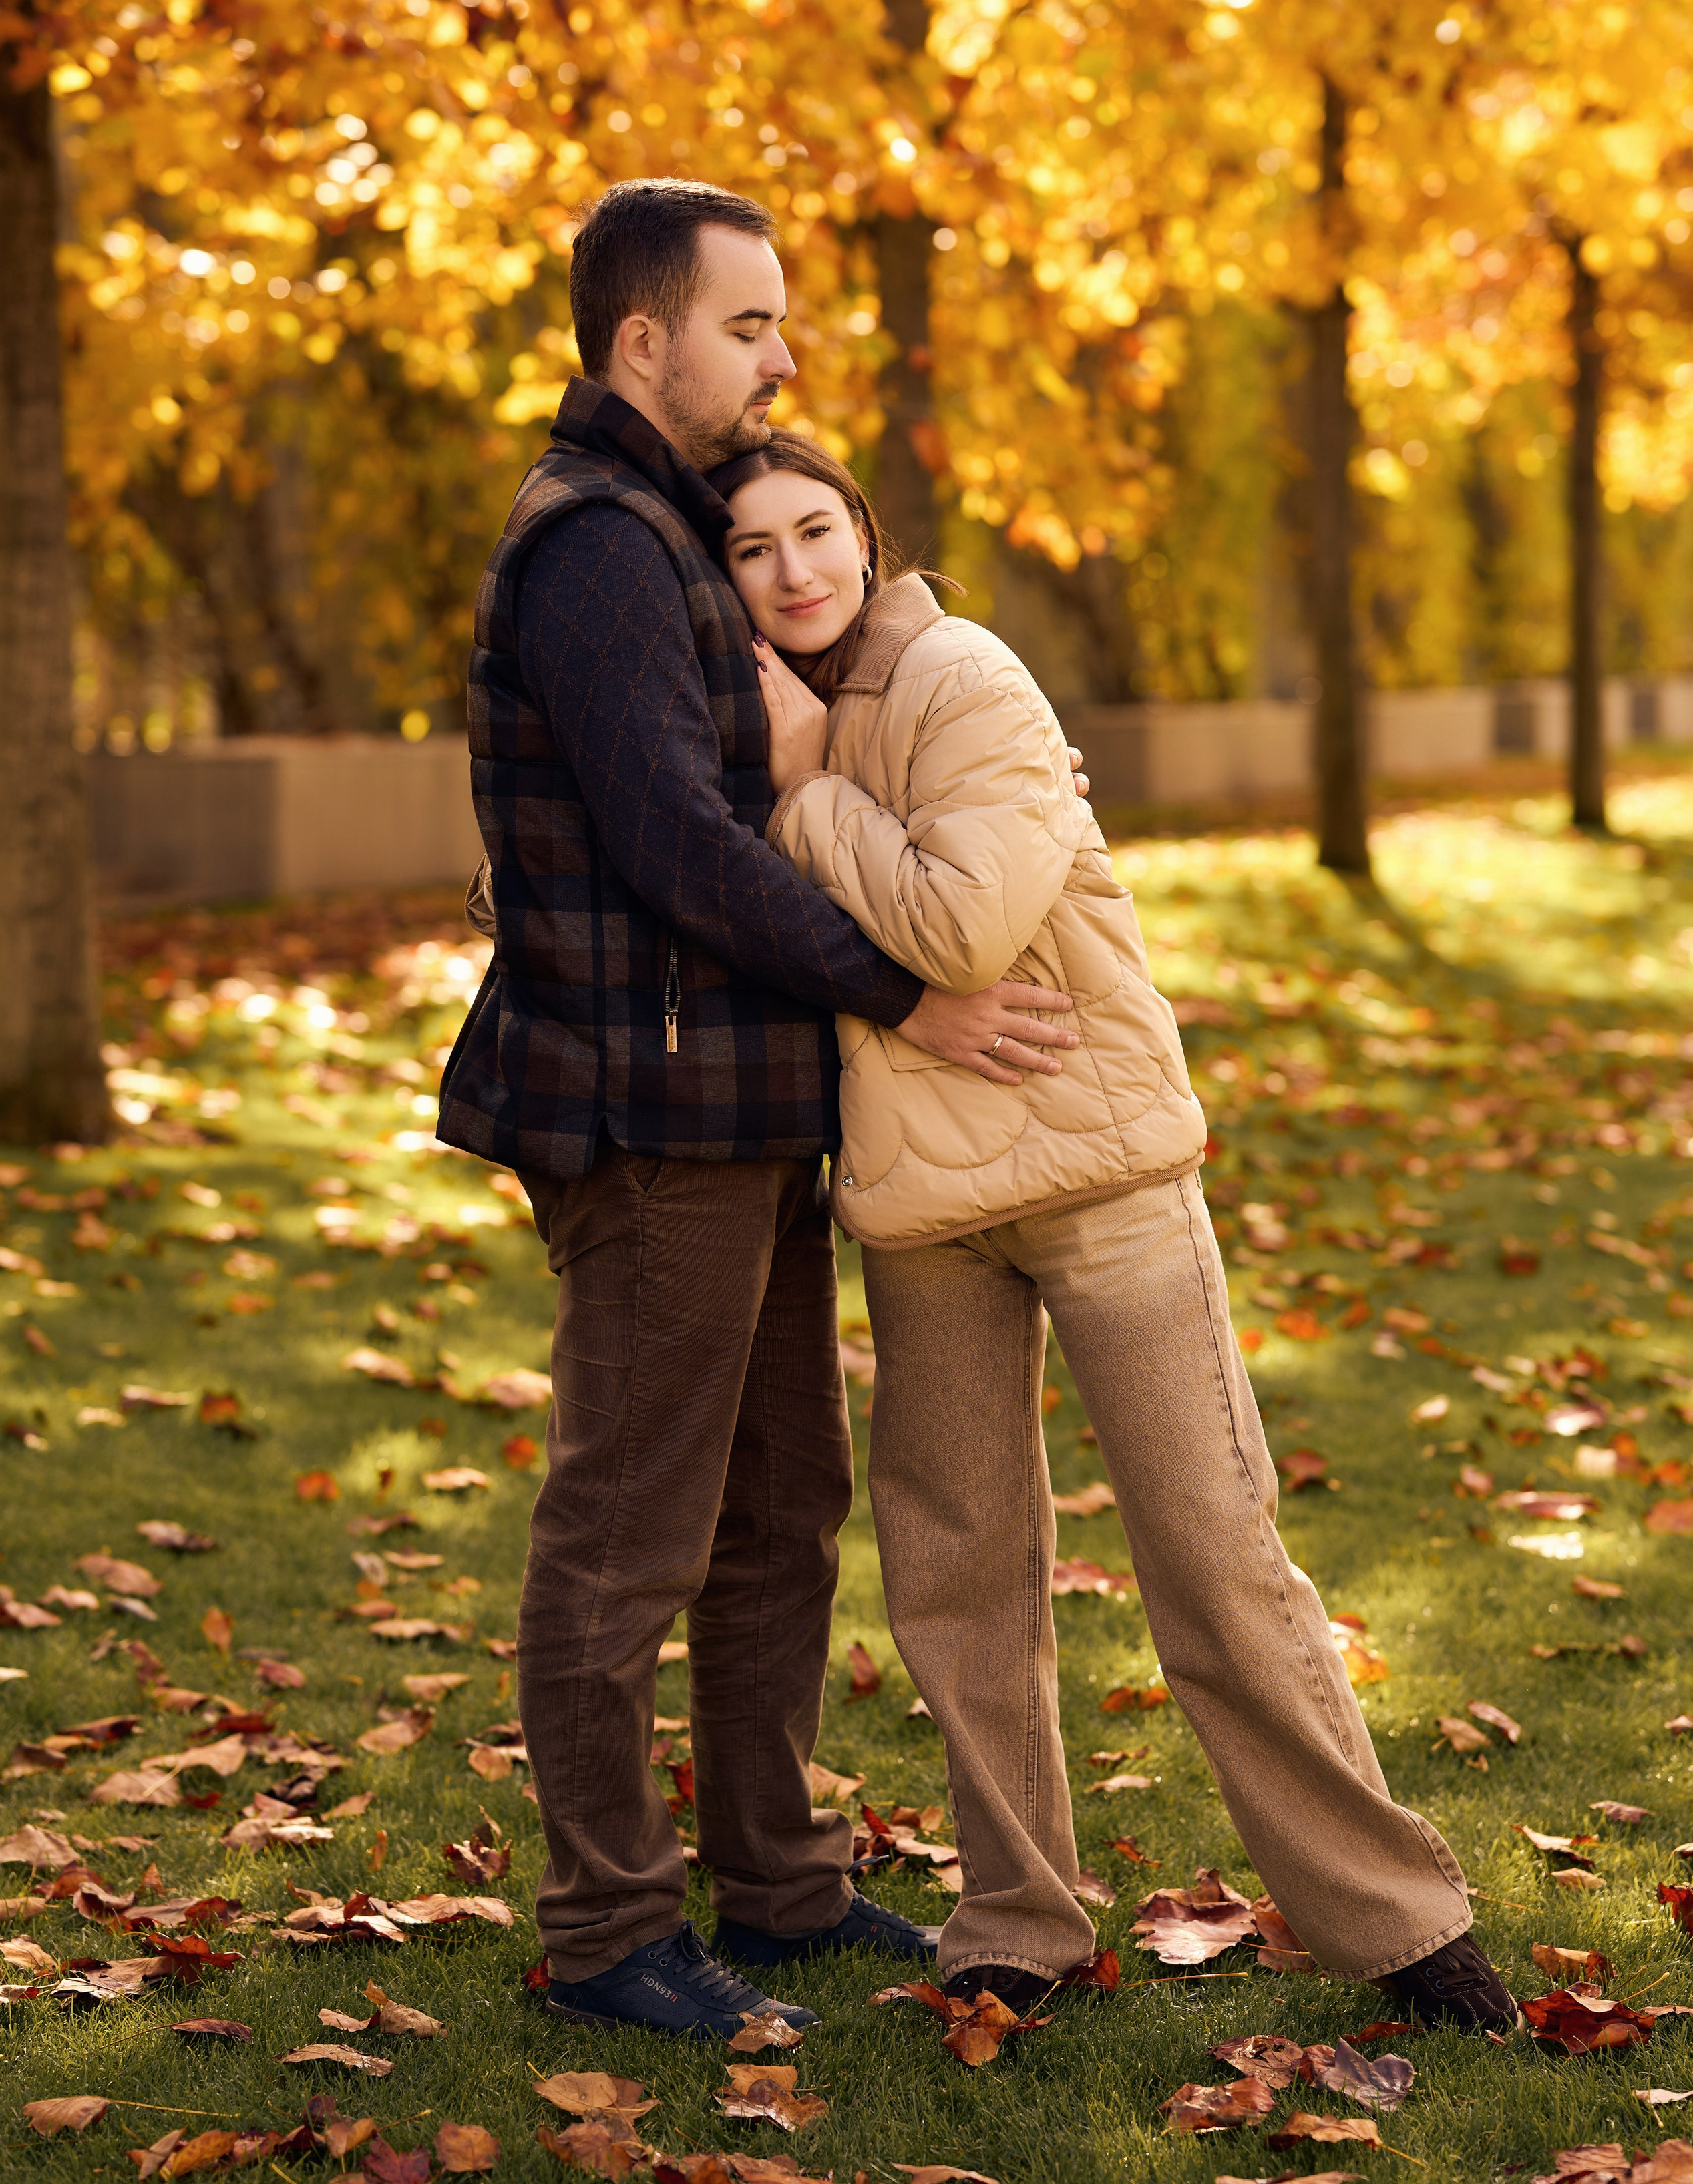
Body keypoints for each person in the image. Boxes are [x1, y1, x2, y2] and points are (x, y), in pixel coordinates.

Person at [711, 427, 1520, 2037]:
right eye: (750, 547)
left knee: (1212, 1551)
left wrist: (805, 794)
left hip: (1094, 1171)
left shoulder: (963, 675)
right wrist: (785, 788)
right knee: (956, 1574)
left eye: (814, 530)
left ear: (862, 536)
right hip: (921, 1204)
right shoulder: (733, 717)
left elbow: (965, 922)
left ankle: (1397, 1919)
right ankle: (1016, 1913)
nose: (794, 568)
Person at [437, 178, 1086, 2038]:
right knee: (630, 1528)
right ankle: (606, 1930)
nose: (783, 355)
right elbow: (671, 841)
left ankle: (781, 1887)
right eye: (747, 324)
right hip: (652, 1119)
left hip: (742, 1107)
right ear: (641, 340)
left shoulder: (659, 525)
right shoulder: (596, 546)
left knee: (783, 1504)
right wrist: (909, 992)